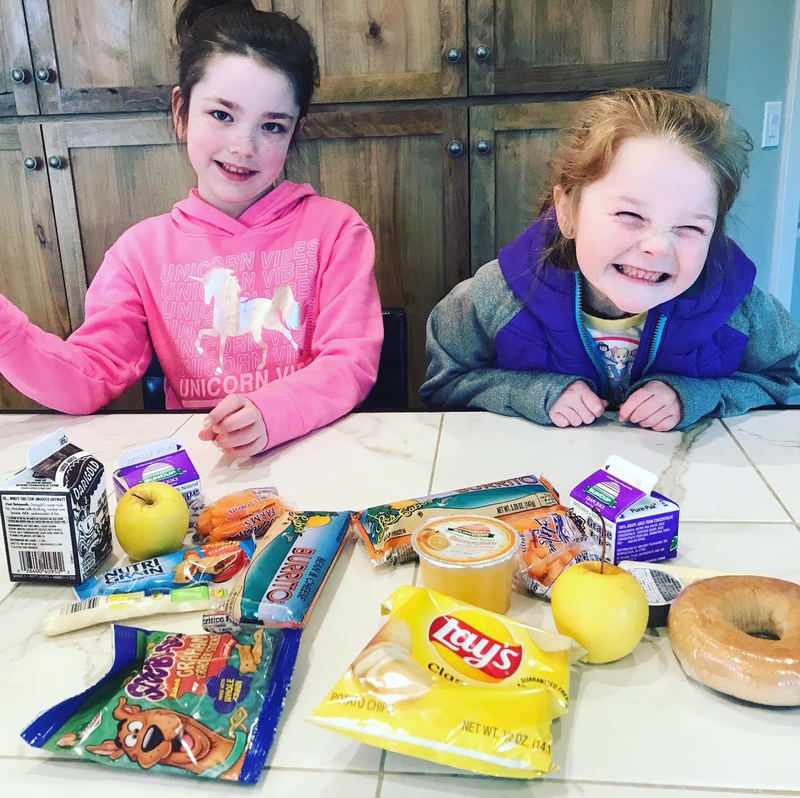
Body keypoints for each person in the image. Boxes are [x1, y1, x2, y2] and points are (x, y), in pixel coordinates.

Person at [0, 0, 382, 456]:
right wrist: (7, 333)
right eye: (222, 115)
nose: (244, 147)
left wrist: (271, 411)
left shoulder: (337, 230)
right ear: (182, 111)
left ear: (295, 130)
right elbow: (91, 377)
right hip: (201, 467)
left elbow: (350, 361)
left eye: (273, 126)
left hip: (318, 454)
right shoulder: (139, 251)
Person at [420, 88, 800, 431]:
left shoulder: (743, 310)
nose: (658, 247)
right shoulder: (493, 299)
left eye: (690, 227)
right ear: (567, 211)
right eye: (629, 216)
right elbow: (444, 384)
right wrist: (534, 391)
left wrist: (694, 396)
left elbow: (788, 380)